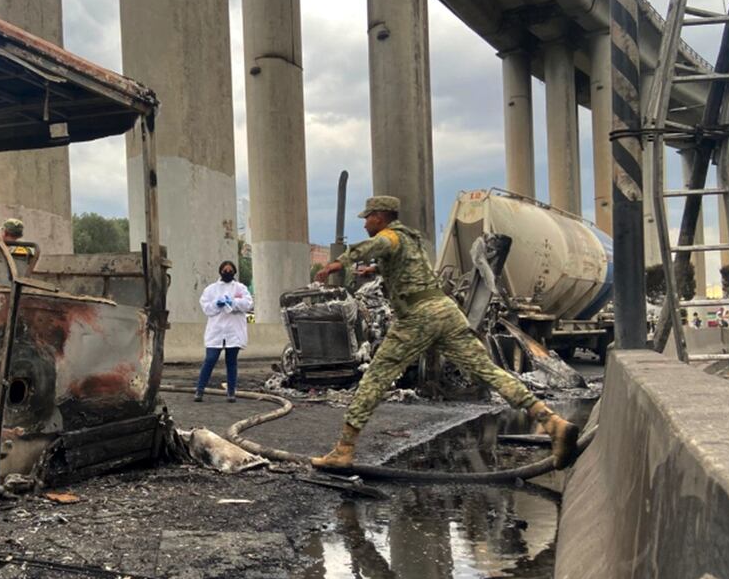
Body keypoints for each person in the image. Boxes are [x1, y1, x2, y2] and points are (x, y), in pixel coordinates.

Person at [312, 195, 579, 470]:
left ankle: (343, 451)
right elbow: (406, 265)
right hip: (446, 311)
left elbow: (377, 244)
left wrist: (339, 262)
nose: (366, 223)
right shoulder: (410, 240)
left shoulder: (389, 236)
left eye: (368, 217)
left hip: (417, 317)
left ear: (380, 216)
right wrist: (376, 269)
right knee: (486, 370)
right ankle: (551, 421)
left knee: (375, 378)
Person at [195, 260, 253, 403]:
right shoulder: (211, 289)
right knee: (210, 359)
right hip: (216, 331)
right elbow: (206, 307)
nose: (227, 272)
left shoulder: (240, 288)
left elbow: (248, 304)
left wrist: (233, 302)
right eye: (225, 270)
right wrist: (217, 304)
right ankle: (199, 390)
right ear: (220, 271)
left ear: (234, 272)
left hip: (233, 332)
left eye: (230, 270)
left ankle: (231, 392)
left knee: (231, 362)